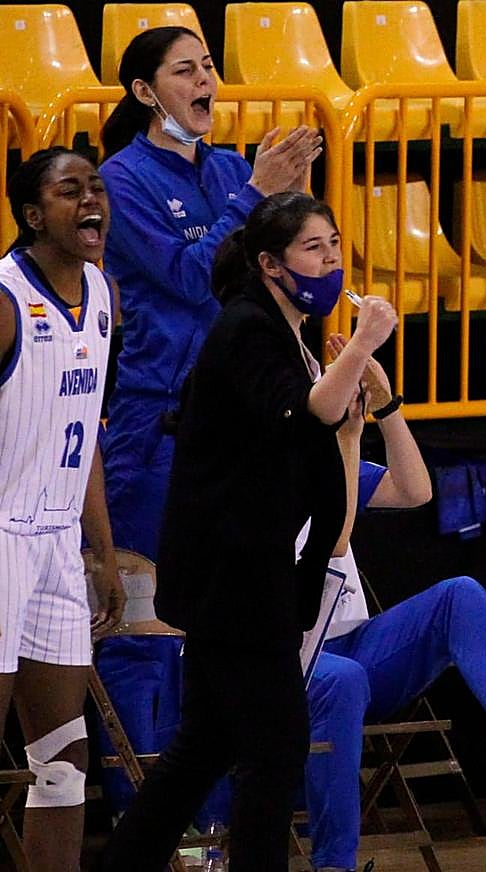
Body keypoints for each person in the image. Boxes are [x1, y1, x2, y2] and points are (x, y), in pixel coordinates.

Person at [100, 192, 397, 872]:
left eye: (333, 243)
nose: (330, 259)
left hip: (246, 569)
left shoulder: (283, 328)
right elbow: (306, 413)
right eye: (313, 248)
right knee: (275, 747)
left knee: (204, 747)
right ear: (269, 263)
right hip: (231, 577)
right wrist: (364, 342)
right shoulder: (246, 328)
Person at [298, 333, 486, 872]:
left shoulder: (332, 457)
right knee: (343, 680)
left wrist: (386, 407)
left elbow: (416, 490)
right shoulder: (258, 471)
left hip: (351, 645)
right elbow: (333, 542)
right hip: (286, 660)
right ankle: (332, 865)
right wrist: (346, 438)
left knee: (461, 595)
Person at [99, 25, 322, 560]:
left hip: (243, 408)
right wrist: (255, 194)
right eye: (185, 70)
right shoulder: (119, 179)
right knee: (148, 616)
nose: (205, 80)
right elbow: (190, 277)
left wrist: (299, 197)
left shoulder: (230, 168)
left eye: (207, 66)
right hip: (161, 417)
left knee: (230, 602)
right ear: (144, 92)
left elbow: (289, 281)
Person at [0, 147, 125, 869]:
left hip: (54, 542)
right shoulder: (7, 296)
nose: (90, 202)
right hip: (2, 536)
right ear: (30, 214)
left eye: (96, 188)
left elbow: (87, 441)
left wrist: (101, 553)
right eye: (69, 190)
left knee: (64, 755)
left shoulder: (103, 293)